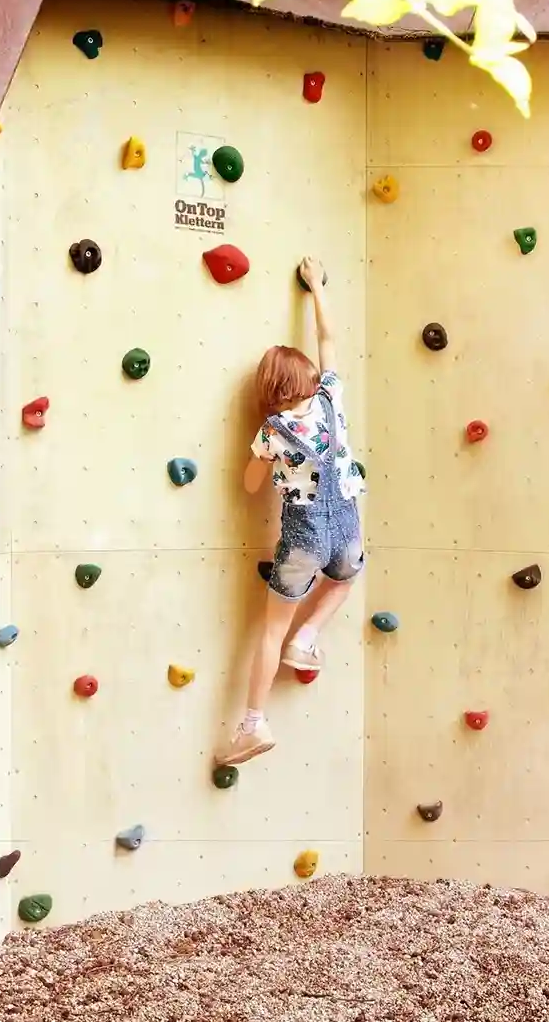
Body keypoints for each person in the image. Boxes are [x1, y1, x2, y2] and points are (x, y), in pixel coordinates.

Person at [217, 257, 365, 766]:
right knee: (345, 579)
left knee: (269, 630)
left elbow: (249, 485)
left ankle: (253, 724)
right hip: (346, 524)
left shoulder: (271, 432)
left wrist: (260, 459)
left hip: (303, 536)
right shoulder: (330, 399)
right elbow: (328, 338)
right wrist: (316, 287)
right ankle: (307, 638)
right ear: (307, 378)